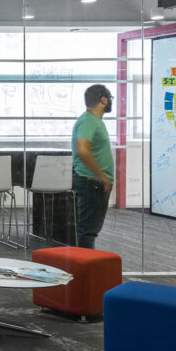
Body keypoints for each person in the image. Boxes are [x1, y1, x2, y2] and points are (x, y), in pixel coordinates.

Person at [71, 84, 115, 249]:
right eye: (111, 98)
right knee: (87, 232)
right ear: (103, 99)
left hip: (93, 182)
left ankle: (86, 269)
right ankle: (85, 271)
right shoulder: (88, 121)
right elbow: (82, 149)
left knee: (89, 230)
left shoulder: (93, 121)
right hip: (92, 183)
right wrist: (101, 176)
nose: (111, 101)